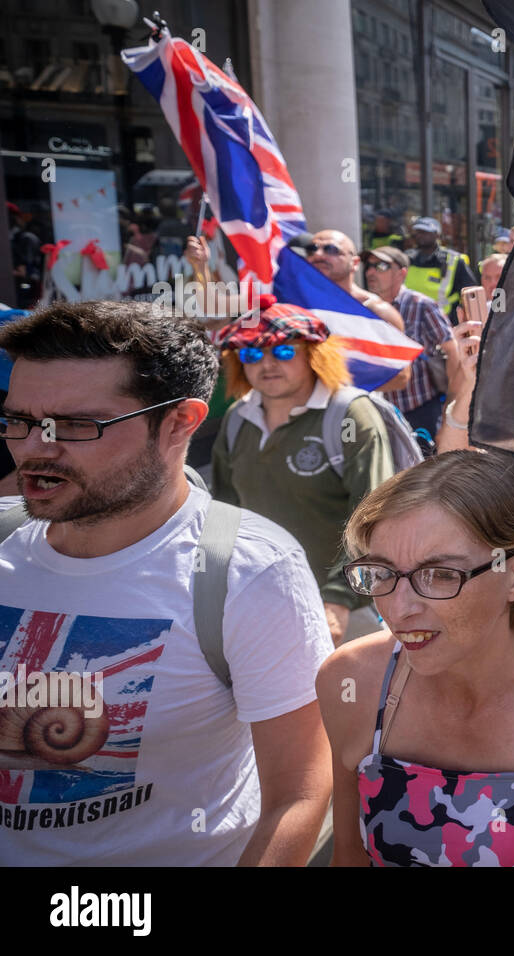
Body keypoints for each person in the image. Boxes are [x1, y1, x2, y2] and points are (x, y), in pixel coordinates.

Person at [0, 300, 332, 865]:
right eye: (20, 420)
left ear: (181, 423)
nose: (35, 448)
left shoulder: (248, 572)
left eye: (79, 424)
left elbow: (300, 793)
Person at [316, 450, 514, 866]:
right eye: (381, 572)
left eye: (439, 575)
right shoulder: (349, 682)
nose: (397, 609)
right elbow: (348, 856)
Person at [210, 298, 396, 646]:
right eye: (250, 354)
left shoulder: (348, 415)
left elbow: (376, 514)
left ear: (314, 353)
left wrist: (340, 597)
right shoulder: (238, 418)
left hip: (347, 607)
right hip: (260, 601)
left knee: (359, 697)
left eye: (283, 352)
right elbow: (224, 515)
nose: (266, 364)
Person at [362, 246, 453, 439]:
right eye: (368, 265)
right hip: (380, 410)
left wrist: (452, 405)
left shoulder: (422, 305)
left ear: (401, 273)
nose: (370, 272)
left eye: (381, 266)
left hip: (422, 411)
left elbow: (453, 351)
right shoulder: (365, 307)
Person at [306, 229, 406, 334]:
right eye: (311, 249)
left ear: (354, 263)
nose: (317, 254)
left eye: (331, 249)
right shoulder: (296, 302)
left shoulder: (377, 312)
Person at [404, 217, 478, 316]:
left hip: (444, 319)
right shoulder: (407, 258)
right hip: (410, 316)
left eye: (425, 232)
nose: (420, 235)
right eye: (418, 232)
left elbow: (471, 292)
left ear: (437, 235)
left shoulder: (453, 260)